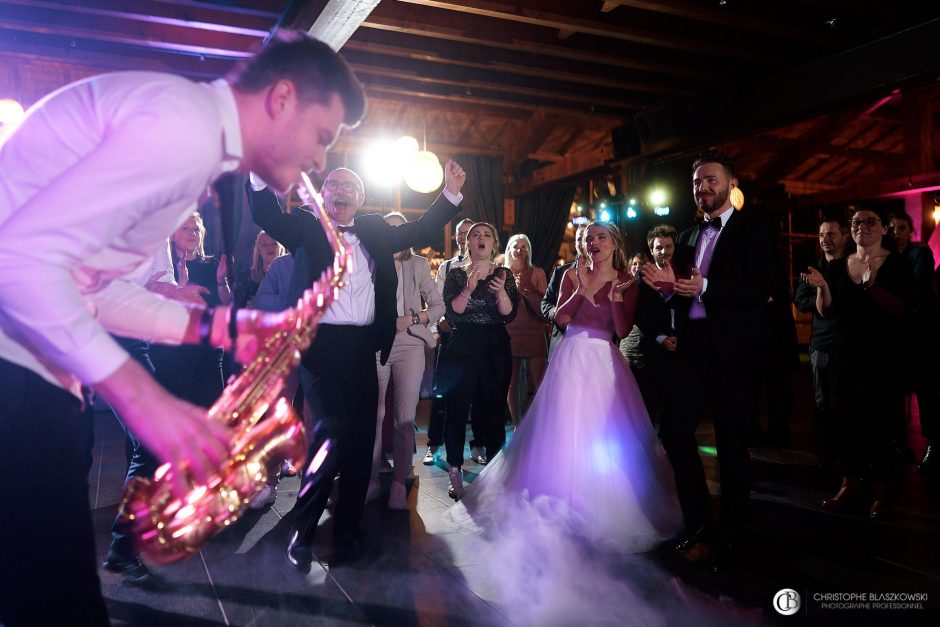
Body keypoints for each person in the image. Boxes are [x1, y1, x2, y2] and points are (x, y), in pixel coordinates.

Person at [0, 30, 366, 626]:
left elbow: (88, 286)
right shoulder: (183, 129)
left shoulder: (189, 132)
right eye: (323, 137)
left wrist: (222, 326)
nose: (322, 160)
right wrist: (144, 398)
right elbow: (16, 261)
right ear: (281, 98)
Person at [247, 160, 466, 572]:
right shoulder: (308, 228)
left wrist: (450, 193)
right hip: (322, 346)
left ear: (361, 198)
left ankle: (347, 529)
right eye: (333, 184)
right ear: (323, 194)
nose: (341, 190)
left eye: (349, 185)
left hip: (364, 347)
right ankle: (303, 531)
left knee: (361, 442)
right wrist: (261, 171)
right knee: (329, 433)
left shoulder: (377, 230)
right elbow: (264, 213)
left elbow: (418, 230)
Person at [452, 221, 682, 552]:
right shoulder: (571, 274)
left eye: (601, 238)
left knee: (603, 432)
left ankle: (600, 499)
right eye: (589, 239)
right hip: (571, 354)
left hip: (603, 357)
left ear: (614, 244)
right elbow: (560, 318)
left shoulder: (627, 282)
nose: (594, 243)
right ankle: (560, 497)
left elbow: (620, 327)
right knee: (563, 427)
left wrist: (616, 297)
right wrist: (582, 290)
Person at [642, 150, 775, 568]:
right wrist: (667, 289)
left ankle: (734, 532)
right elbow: (681, 292)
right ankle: (698, 522)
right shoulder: (684, 237)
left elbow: (762, 288)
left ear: (731, 185)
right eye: (697, 181)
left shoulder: (755, 229)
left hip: (734, 352)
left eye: (711, 180)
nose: (703, 187)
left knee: (732, 444)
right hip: (691, 349)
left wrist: (706, 287)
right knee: (674, 432)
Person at [805, 207, 915, 518]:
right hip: (846, 354)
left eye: (870, 222)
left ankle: (882, 490)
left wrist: (872, 286)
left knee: (882, 423)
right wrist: (823, 287)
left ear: (883, 230)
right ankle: (849, 483)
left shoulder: (897, 265)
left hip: (883, 356)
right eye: (856, 223)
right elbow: (828, 313)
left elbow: (899, 309)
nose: (862, 227)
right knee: (845, 421)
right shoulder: (840, 266)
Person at [367, 212, 445, 509]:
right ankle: (372, 480)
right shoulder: (370, 261)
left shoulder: (419, 264)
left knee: (404, 418)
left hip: (410, 343)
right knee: (373, 416)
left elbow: (438, 307)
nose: (395, 235)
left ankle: (400, 481)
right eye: (390, 230)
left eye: (401, 230)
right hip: (375, 344)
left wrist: (411, 318)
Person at [439, 222, 517, 499]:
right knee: (457, 409)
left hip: (495, 345)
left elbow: (509, 315)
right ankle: (455, 471)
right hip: (462, 345)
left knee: (494, 410)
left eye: (487, 234)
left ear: (493, 244)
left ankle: (497, 473)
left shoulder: (504, 274)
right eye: (475, 235)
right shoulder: (457, 274)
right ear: (467, 243)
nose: (481, 238)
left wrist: (500, 292)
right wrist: (469, 289)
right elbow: (454, 312)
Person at [794, 218, 848, 477]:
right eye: (821, 234)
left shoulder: (852, 266)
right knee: (822, 402)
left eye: (831, 234)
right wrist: (819, 294)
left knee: (848, 402)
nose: (825, 239)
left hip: (849, 344)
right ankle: (825, 458)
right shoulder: (812, 267)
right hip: (822, 344)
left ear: (844, 236)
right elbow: (801, 301)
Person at [890, 210, 939, 473]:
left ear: (911, 231)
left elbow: (916, 288)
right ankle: (899, 445)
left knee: (926, 391)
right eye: (893, 228)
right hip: (896, 337)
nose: (896, 232)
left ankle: (934, 445)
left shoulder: (919, 254)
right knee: (896, 392)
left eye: (901, 228)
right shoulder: (885, 256)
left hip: (920, 335)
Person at [424, 218, 475, 466]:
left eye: (469, 233)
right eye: (460, 233)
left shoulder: (486, 266)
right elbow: (437, 300)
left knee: (476, 392)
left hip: (475, 335)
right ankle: (434, 445)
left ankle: (478, 444)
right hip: (450, 333)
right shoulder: (446, 266)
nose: (464, 237)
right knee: (441, 392)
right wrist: (438, 326)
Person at [503, 234, 548, 425]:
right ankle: (517, 425)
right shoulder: (502, 273)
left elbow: (545, 309)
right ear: (509, 250)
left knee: (540, 382)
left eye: (524, 246)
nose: (519, 250)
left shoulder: (537, 272)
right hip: (510, 331)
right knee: (511, 384)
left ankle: (536, 423)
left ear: (529, 250)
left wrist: (525, 290)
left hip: (534, 331)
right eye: (515, 246)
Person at [541, 225, 587, 360]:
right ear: (575, 244)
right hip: (562, 340)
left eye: (586, 238)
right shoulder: (561, 271)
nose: (582, 242)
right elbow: (545, 302)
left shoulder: (602, 273)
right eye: (579, 239)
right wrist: (555, 312)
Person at [235, 230, 286, 308]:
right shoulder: (246, 277)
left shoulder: (289, 277)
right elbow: (237, 308)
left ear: (280, 249)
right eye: (264, 244)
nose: (270, 247)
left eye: (274, 243)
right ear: (259, 250)